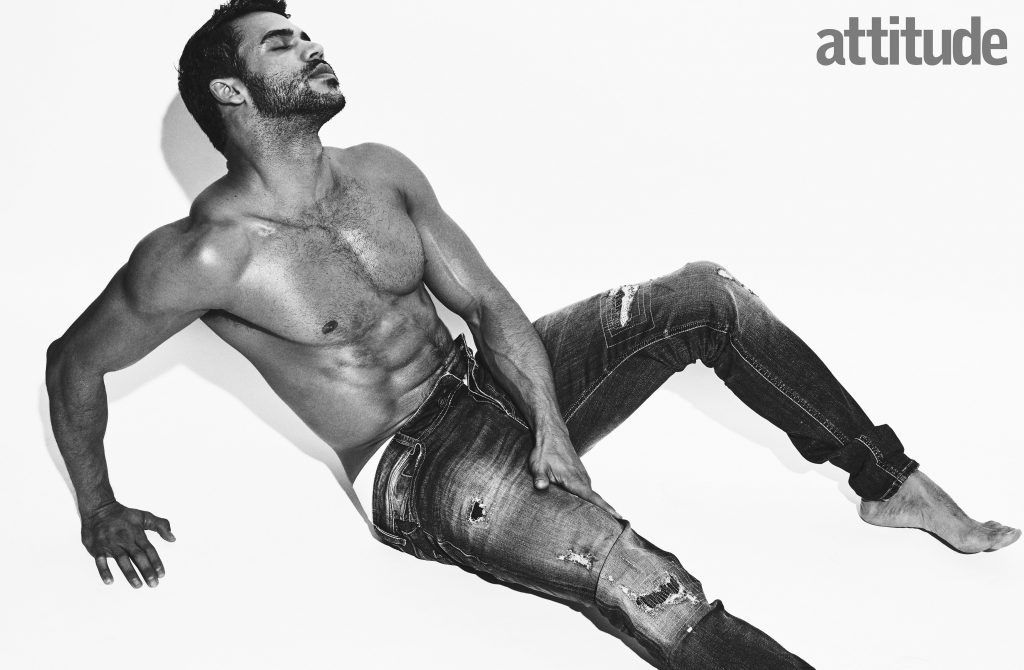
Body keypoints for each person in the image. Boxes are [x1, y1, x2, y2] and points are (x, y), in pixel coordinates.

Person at [44, 1, 1019, 667]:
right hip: (416, 467)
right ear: (231, 93)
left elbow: (488, 305)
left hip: (486, 384)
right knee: (644, 579)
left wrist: (549, 423)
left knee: (705, 295)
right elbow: (72, 362)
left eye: (306, 33)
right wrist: (98, 508)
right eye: (280, 44)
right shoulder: (202, 255)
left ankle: (889, 483)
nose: (311, 47)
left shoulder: (379, 172)